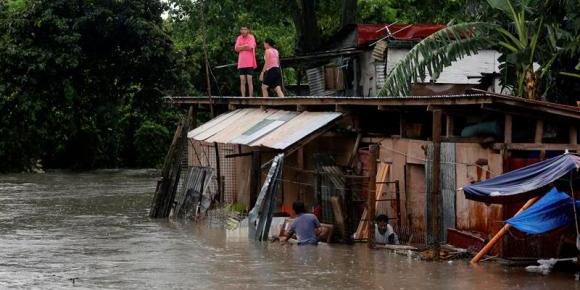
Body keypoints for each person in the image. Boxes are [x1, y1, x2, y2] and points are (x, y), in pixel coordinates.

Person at [234, 25, 257, 97]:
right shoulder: (239, 38)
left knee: (249, 80)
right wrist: (244, 46)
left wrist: (241, 47)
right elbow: (236, 48)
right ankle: (243, 97)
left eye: (245, 29)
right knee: (242, 81)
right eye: (242, 29)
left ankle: (251, 97)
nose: (243, 31)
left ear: (248, 30)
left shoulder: (251, 37)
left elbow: (250, 47)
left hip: (249, 63)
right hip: (241, 63)